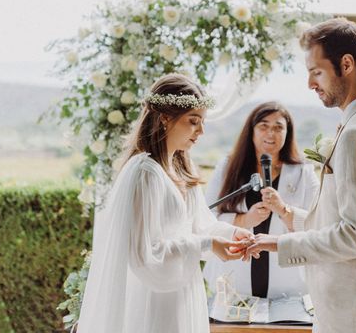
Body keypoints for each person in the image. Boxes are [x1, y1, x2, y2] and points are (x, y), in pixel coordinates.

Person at [245, 19, 356, 333]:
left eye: (316, 72)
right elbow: (351, 218)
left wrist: (281, 244)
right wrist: (288, 213)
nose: (310, 84)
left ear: (346, 64)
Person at [78, 74, 253, 333]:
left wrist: (232, 234)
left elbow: (200, 225)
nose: (201, 131)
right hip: (154, 299)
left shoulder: (183, 167)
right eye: (193, 122)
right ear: (165, 118)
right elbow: (144, 252)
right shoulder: (144, 173)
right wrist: (208, 245)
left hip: (183, 291)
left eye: (202, 122)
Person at [204, 102, 320, 299]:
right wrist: (245, 220)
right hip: (234, 277)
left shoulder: (303, 171)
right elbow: (206, 217)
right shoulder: (227, 167)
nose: (271, 133)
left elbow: (317, 223)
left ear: (288, 133)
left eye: (278, 127)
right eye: (263, 126)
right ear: (252, 130)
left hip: (287, 280)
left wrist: (284, 210)